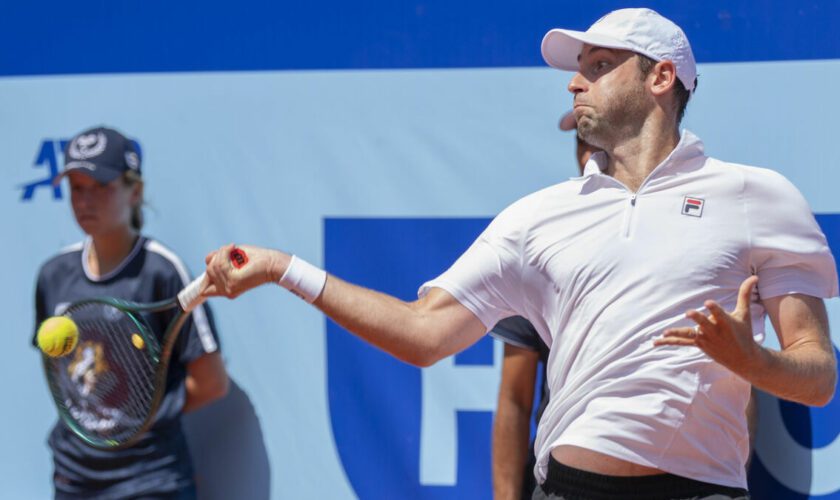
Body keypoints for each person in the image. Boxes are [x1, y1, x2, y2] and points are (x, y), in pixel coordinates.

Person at [202, 8, 837, 499]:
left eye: (596, 65)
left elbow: (818, 376)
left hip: (704, 490)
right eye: (577, 68)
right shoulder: (537, 216)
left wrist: (751, 359)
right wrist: (285, 268)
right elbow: (423, 333)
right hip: (567, 488)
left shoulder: (758, 197)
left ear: (660, 76)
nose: (573, 82)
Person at [33, 126, 229, 499]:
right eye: (76, 188)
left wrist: (139, 417)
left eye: (101, 186)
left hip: (151, 480)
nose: (86, 200)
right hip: (72, 479)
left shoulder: (163, 271)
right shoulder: (52, 275)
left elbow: (211, 382)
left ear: (134, 191)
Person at [492, 111, 596, 500]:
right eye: (581, 143)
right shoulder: (545, 241)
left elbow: (734, 388)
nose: (587, 155)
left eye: (598, 142)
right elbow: (515, 400)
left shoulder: (689, 232)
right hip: (562, 483)